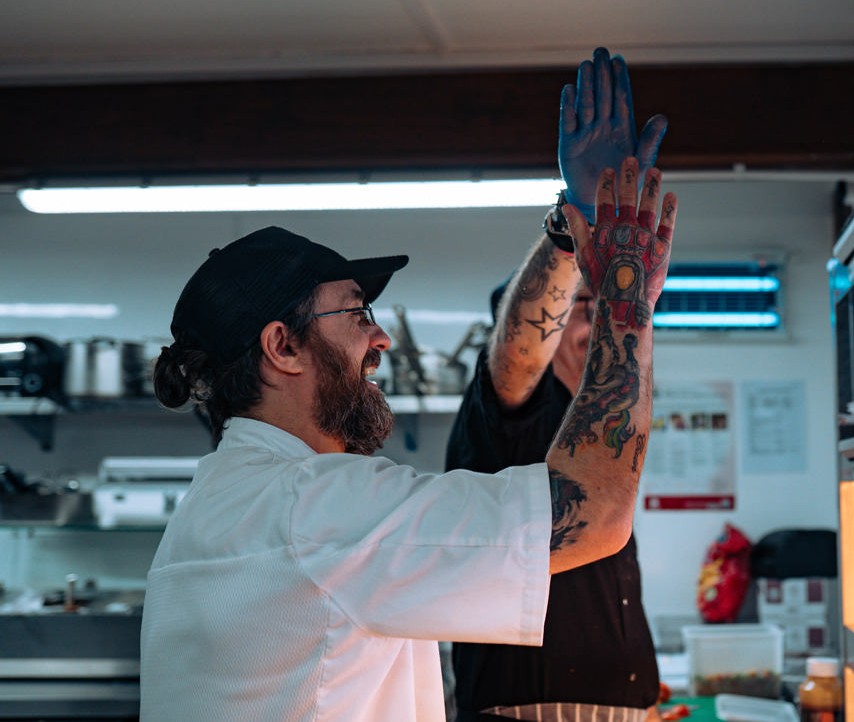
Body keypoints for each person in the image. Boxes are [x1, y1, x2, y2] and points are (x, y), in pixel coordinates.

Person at [138, 155, 677, 717]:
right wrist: (626, 294)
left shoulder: (215, 501)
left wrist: (569, 229)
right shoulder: (317, 504)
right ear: (283, 347)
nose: (383, 337)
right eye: (357, 312)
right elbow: (597, 512)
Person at [446, 46, 668, 722]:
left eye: (595, 305)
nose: (592, 319)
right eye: (577, 308)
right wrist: (576, 223)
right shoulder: (509, 410)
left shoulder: (596, 421)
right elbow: (519, 350)